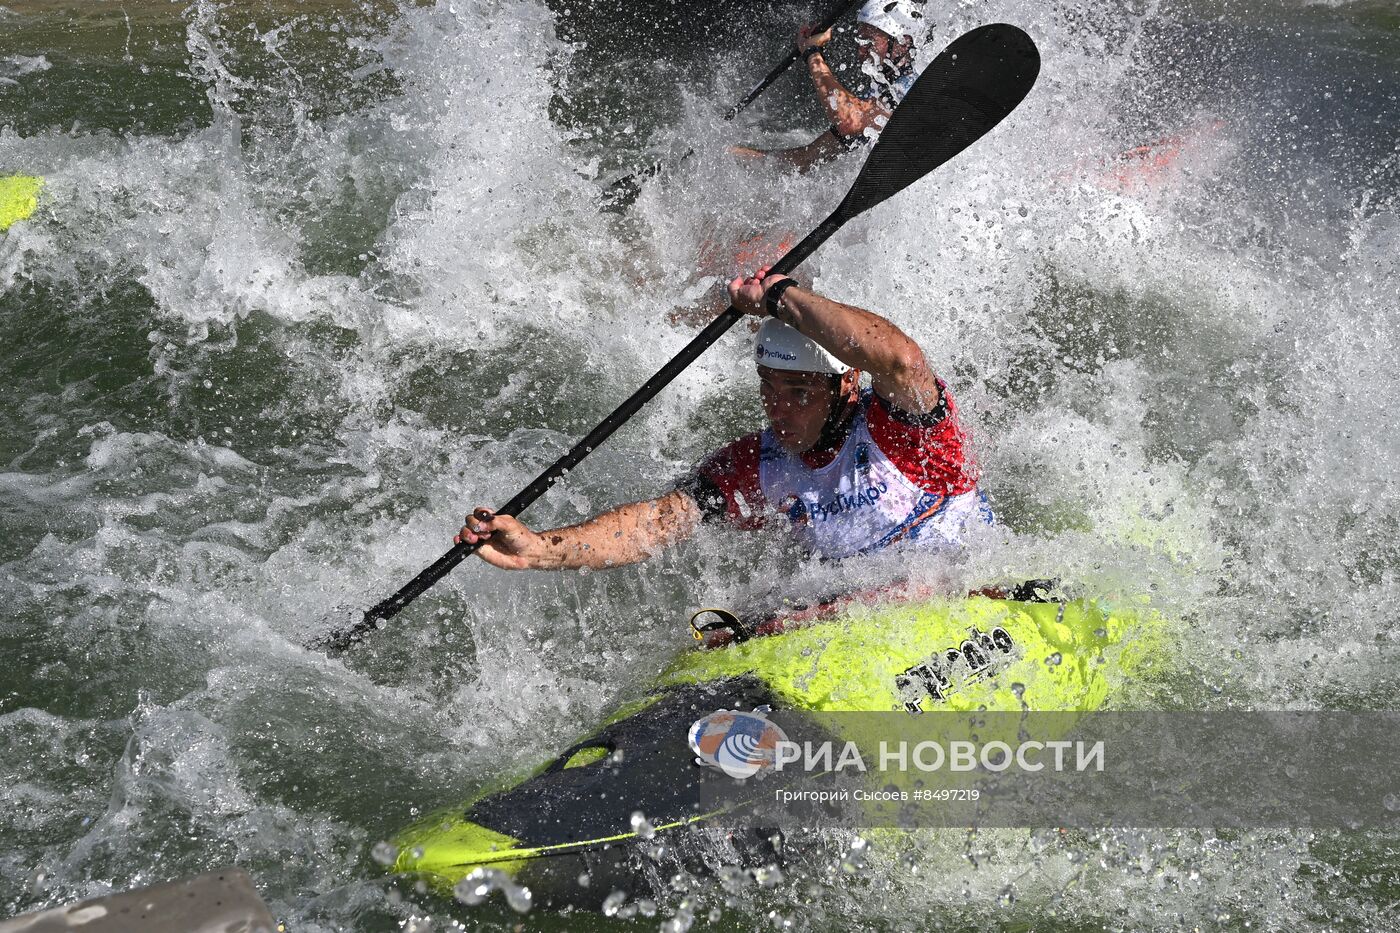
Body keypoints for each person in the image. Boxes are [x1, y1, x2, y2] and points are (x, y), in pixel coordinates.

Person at [457, 269, 993, 570]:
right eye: (769, 389)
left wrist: (780, 297)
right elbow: (654, 523)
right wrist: (539, 550)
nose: (779, 409)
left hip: (966, 599)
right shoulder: (755, 466)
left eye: (800, 391)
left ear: (846, 384)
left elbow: (900, 359)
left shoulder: (905, 430)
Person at [731, 0, 929, 171]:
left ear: (903, 44)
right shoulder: (879, 95)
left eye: (869, 42)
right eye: (861, 41)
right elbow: (806, 160)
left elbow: (849, 119)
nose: (861, 52)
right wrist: (731, 155)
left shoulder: (918, 82)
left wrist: (812, 54)